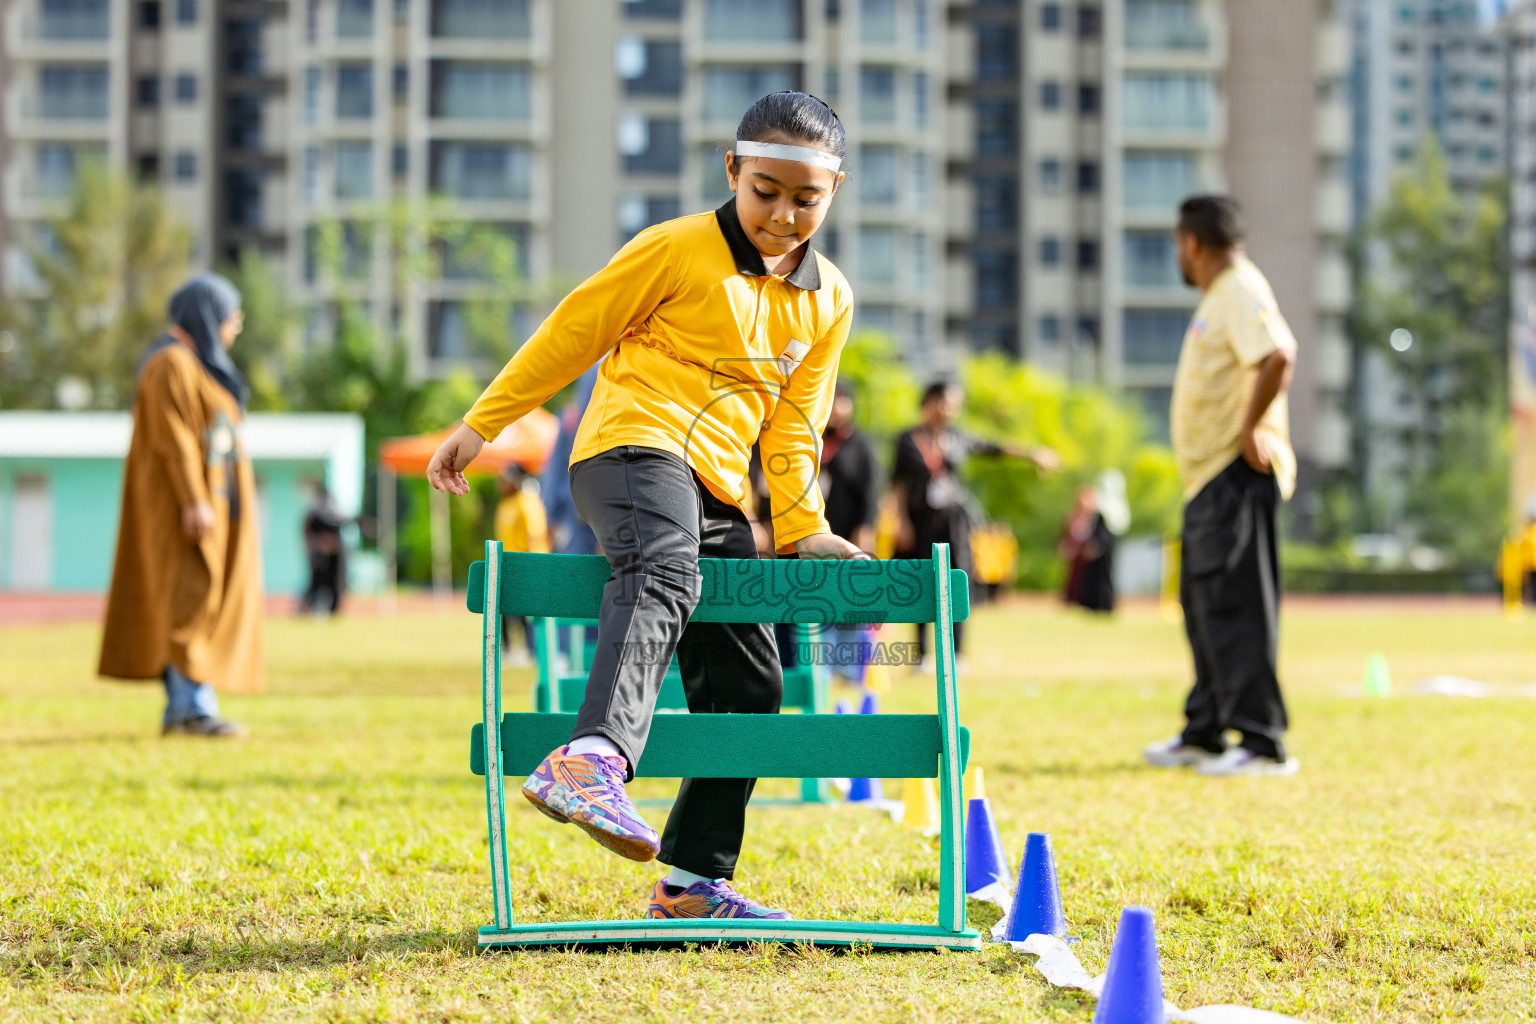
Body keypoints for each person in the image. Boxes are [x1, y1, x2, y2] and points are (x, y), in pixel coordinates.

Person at [425, 92, 862, 921]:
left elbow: (796, 427)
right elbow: (573, 331)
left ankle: (693, 884)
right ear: (733, 171)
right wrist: (483, 423)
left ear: (833, 192)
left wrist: (805, 529)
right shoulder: (676, 248)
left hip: (720, 486)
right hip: (630, 449)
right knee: (663, 567)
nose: (783, 214)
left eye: (807, 199)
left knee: (752, 681)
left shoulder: (828, 298)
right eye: (766, 190)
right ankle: (589, 760)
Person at [1143, 195, 1299, 778]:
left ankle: (1261, 742)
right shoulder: (1222, 295)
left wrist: (1252, 427)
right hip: (1208, 479)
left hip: (1235, 473)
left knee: (1237, 608)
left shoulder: (1238, 287)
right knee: (1204, 606)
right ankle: (1205, 731)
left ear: (1190, 243)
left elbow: (1279, 354)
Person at [98, 273, 264, 737]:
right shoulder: (170, 363)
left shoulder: (195, 365)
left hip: (210, 505)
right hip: (184, 512)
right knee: (189, 598)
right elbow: (174, 440)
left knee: (201, 600)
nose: (237, 325)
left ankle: (190, 703)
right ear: (208, 315)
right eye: (232, 315)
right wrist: (195, 499)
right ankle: (190, 708)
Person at [891, 381, 1056, 669]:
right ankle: (921, 655)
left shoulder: (958, 438)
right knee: (919, 582)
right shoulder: (907, 439)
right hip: (919, 521)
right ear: (929, 402)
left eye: (955, 404)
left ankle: (956, 654)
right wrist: (900, 521)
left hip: (954, 523)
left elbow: (994, 448)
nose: (950, 410)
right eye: (945, 402)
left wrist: (1032, 454)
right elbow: (896, 485)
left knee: (957, 580)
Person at [819, 381, 881, 684]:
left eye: (839, 400)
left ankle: (850, 668)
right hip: (817, 537)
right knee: (820, 598)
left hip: (851, 535)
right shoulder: (811, 436)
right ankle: (824, 667)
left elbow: (871, 492)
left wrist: (865, 530)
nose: (833, 407)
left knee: (852, 600)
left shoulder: (861, 444)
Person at [494, 462, 550, 666]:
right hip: (508, 565)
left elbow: (534, 536)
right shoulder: (506, 503)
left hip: (525, 565)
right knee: (505, 611)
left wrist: (533, 569)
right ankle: (508, 651)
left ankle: (531, 651)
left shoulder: (527, 502)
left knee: (527, 612)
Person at [1059, 487, 1116, 613]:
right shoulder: (1072, 517)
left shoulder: (1098, 519)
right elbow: (1065, 535)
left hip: (1091, 558)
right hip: (1077, 555)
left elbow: (1104, 537)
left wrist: (1095, 547)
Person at [299, 481, 346, 616]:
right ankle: (306, 609)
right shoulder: (316, 514)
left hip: (331, 557)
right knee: (315, 584)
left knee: (334, 585)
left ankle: (332, 610)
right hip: (319, 557)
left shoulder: (327, 512)